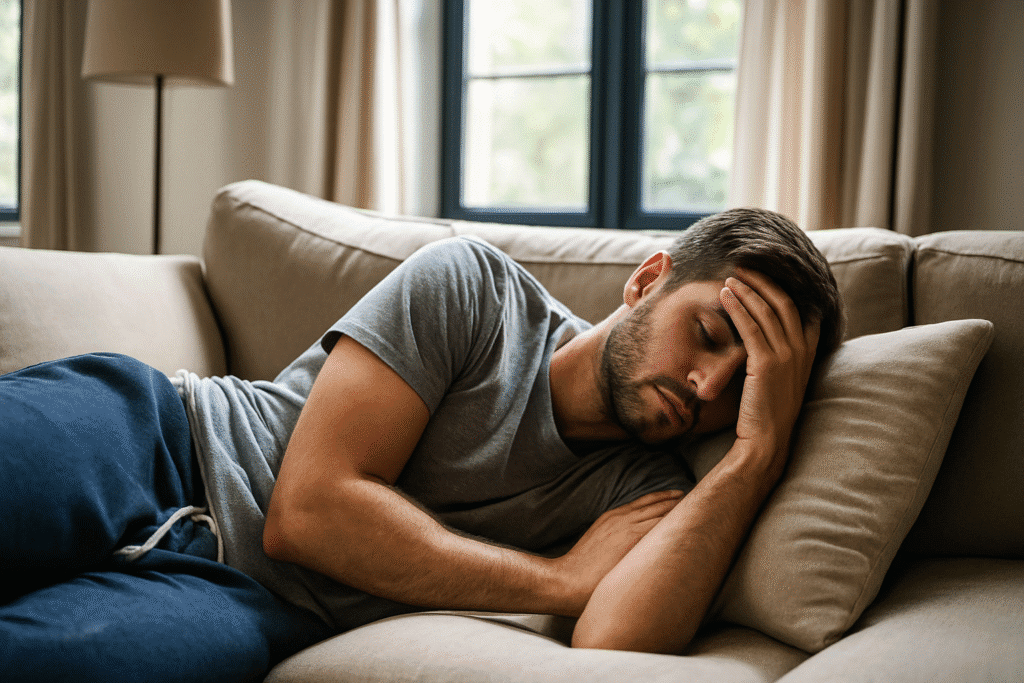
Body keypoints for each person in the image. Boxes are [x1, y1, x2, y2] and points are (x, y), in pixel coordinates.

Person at [0, 208, 843, 681]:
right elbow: (310, 511)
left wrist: (756, 452)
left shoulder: (647, 491)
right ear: (649, 279)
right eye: (707, 334)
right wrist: (558, 579)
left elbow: (612, 645)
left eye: (740, 385)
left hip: (243, 600)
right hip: (158, 436)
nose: (706, 386)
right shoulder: (475, 289)